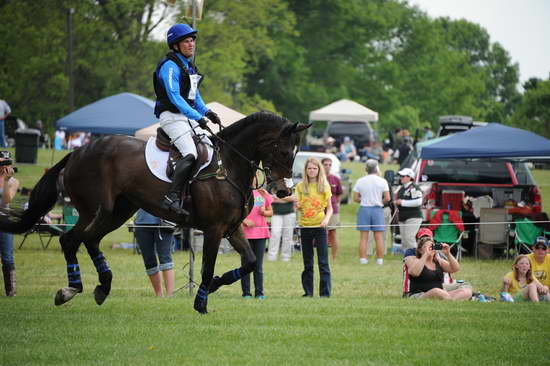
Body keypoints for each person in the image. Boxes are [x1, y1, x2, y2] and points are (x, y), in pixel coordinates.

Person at [153, 23, 222, 215]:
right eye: (186, 41)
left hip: (187, 117)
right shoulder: (170, 67)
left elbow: (194, 97)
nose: (191, 44)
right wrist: (198, 116)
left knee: (213, 146)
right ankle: (172, 197)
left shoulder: (189, 67)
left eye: (192, 40)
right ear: (175, 45)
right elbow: (175, 97)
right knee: (190, 153)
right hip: (172, 118)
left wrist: (207, 112)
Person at [295, 157, 332, 297]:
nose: (312, 171)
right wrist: (297, 205)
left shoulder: (324, 185)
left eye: (314, 168)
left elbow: (330, 208)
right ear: (306, 170)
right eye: (309, 168)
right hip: (304, 227)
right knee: (308, 262)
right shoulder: (300, 186)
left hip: (320, 227)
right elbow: (298, 205)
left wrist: (326, 220)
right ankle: (308, 292)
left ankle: (325, 294)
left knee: (323, 262)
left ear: (318, 170)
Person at [404, 235, 472, 300]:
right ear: (420, 250)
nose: (430, 249)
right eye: (426, 247)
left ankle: (448, 299)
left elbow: (455, 268)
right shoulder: (416, 260)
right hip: (420, 294)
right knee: (437, 292)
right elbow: (414, 272)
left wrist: (448, 254)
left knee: (466, 289)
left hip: (441, 290)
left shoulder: (438, 261)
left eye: (432, 247)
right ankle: (451, 298)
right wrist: (425, 255)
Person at [353, 159, 390, 265]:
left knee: (363, 237)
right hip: (377, 209)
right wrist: (379, 201)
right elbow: (387, 198)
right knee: (379, 236)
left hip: (364, 209)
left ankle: (363, 259)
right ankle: (380, 260)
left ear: (366, 169)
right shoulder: (382, 181)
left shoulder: (360, 180)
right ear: (376, 168)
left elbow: (355, 198)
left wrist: (364, 200)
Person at [241, 179, 273, 299]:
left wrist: (265, 212)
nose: (252, 179)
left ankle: (259, 293)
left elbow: (271, 211)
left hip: (261, 234)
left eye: (254, 176)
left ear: (257, 178)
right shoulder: (242, 192)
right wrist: (244, 220)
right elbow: (235, 212)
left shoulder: (263, 193)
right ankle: (246, 293)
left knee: (258, 265)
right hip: (245, 235)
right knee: (246, 264)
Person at [134, 209, 175, 297]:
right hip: (141, 224)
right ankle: (158, 295)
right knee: (149, 261)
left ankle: (169, 295)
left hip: (164, 223)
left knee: (165, 258)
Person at [0, 151, 19, 296]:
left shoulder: (13, 181)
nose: (4, 166)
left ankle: (11, 291)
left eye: (6, 163)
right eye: (2, 162)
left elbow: (6, 200)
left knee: (7, 257)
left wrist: (6, 180)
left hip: (4, 221)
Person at [395, 167, 423, 250]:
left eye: (403, 176)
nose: (401, 178)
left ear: (409, 177)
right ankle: (407, 258)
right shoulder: (402, 188)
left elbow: (418, 201)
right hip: (403, 217)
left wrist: (402, 202)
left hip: (413, 216)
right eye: (401, 176)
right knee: (404, 239)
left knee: (409, 237)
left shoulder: (414, 187)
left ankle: (416, 257)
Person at [321, 157, 343, 260]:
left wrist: (335, 203)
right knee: (321, 233)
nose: (328, 167)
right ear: (321, 165)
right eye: (325, 164)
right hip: (319, 210)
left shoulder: (335, 179)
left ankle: (334, 257)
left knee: (333, 233)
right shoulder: (318, 178)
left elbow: (339, 194)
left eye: (330, 165)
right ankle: (322, 256)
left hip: (333, 210)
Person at [267, 193, 296, 262]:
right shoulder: (272, 183)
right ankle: (272, 257)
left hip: (289, 213)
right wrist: (287, 199)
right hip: (276, 214)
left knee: (288, 236)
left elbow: (294, 198)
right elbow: (269, 198)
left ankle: (286, 257)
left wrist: (278, 198)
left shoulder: (290, 183)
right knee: (275, 234)